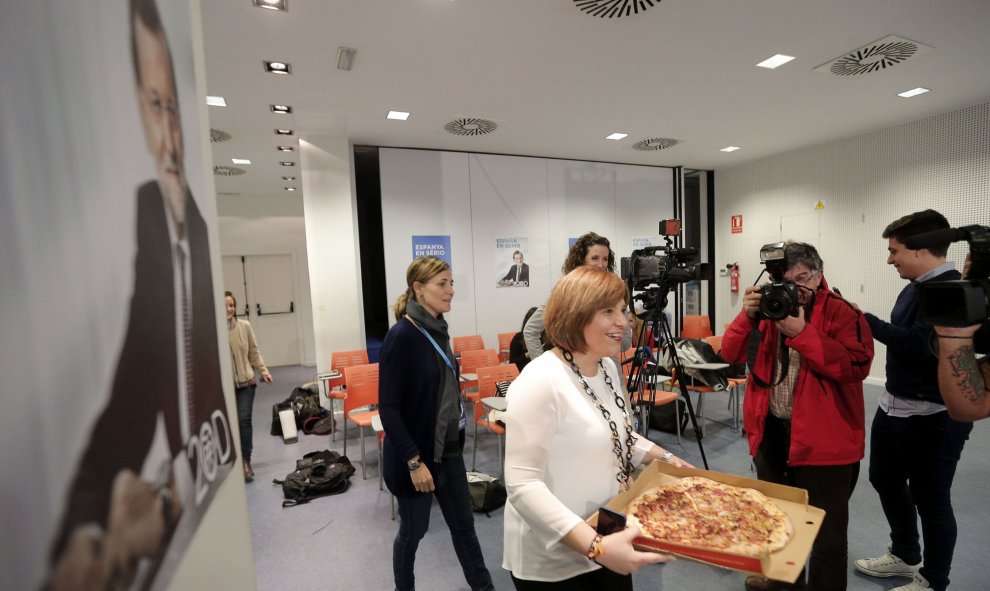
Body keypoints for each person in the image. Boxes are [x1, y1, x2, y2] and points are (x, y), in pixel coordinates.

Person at [47, 1, 235, 589]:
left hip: (185, 511)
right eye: (155, 109)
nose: (171, 135)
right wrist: (86, 527)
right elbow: (130, 399)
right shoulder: (150, 215)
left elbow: (214, 420)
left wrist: (165, 498)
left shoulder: (197, 232)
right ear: (136, 111)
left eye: (175, 109)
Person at [503, 267, 691, 590]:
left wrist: (667, 459)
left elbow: (619, 436)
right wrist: (595, 547)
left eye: (623, 309)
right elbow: (522, 485)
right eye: (608, 311)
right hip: (558, 561)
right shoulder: (539, 381)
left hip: (609, 531)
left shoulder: (604, 367)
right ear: (576, 314)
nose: (624, 321)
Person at [721, 241, 874, 591]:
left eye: (802, 278)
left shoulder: (842, 312)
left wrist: (802, 334)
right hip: (771, 433)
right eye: (785, 279)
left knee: (827, 538)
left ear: (817, 275)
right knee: (776, 525)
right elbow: (729, 353)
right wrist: (747, 315)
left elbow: (856, 366)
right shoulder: (764, 310)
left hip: (825, 443)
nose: (794, 288)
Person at [855, 210, 973, 591]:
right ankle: (905, 554)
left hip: (934, 416)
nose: (891, 259)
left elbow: (920, 346)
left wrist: (863, 319)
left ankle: (934, 579)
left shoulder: (951, 291)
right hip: (894, 405)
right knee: (884, 478)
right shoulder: (917, 284)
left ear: (920, 250)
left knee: (932, 500)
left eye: (894, 251)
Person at [379, 256, 495, 591]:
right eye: (442, 284)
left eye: (452, 283)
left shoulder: (439, 329)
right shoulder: (402, 336)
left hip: (449, 451)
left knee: (464, 530)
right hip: (416, 459)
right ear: (418, 289)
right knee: (412, 534)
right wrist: (414, 462)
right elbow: (388, 408)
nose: (450, 291)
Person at [523, 232, 618, 362]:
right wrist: (543, 366)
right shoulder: (565, 294)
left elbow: (624, 344)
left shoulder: (611, 294)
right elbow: (530, 331)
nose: (601, 265)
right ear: (582, 260)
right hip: (575, 373)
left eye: (605, 259)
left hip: (609, 373)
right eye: (595, 258)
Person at [225, 291, 273, 482]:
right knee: (230, 424)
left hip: (246, 382)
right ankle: (231, 461)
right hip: (224, 387)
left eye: (231, 305)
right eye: (225, 306)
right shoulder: (212, 330)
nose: (229, 309)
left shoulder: (244, 326)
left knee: (243, 420)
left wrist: (263, 371)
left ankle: (246, 461)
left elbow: (253, 351)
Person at [509, 306, 540, 371]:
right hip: (524, 371)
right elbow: (512, 362)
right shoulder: (519, 337)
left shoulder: (545, 337)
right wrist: (527, 355)